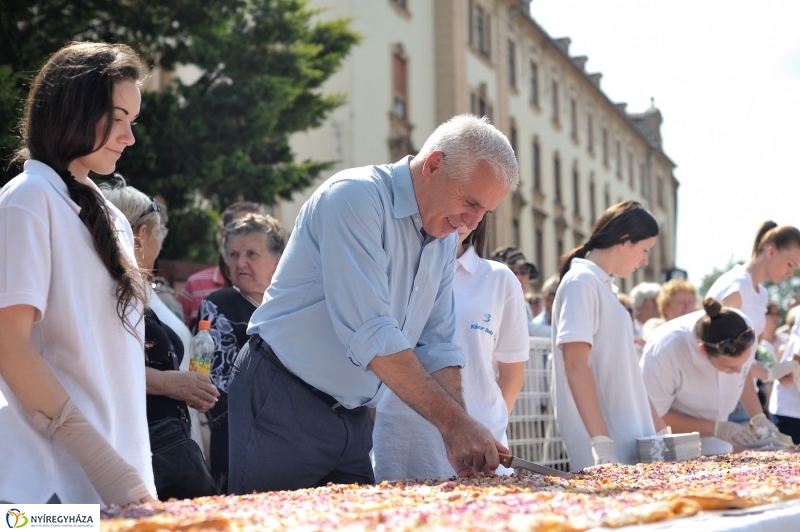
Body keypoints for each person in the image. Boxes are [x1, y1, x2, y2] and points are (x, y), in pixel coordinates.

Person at [227, 114, 518, 493]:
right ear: (433, 165)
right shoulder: (354, 197)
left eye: (485, 212)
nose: (472, 224)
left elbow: (437, 344)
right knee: (266, 519)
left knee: (359, 518)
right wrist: (456, 425)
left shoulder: (445, 237)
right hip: (282, 397)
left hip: (351, 415)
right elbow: (370, 332)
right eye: (470, 202)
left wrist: (458, 430)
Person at [0, 42, 155, 505]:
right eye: (118, 118)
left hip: (117, 487)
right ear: (73, 111)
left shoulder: (112, 217)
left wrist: (125, 477)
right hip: (41, 493)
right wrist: (103, 464)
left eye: (133, 121)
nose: (129, 137)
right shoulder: (27, 200)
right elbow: (8, 344)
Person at [373, 216, 529, 481]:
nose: (463, 217)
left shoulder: (499, 279)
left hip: (478, 448)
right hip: (402, 440)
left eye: (476, 205)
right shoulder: (394, 269)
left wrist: (484, 423)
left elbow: (512, 372)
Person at [100, 181, 219, 456]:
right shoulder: (111, 290)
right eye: (158, 232)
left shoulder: (138, 286)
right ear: (141, 235)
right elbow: (102, 364)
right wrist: (167, 383)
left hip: (165, 440)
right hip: (139, 447)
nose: (161, 242)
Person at [552, 201, 668, 471]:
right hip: (610, 446)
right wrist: (601, 441)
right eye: (645, 250)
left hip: (632, 438)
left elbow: (627, 373)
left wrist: (662, 430)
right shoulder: (581, 282)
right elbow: (575, 365)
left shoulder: (601, 286)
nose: (645, 260)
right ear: (624, 241)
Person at [197, 213, 287, 493]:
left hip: (297, 440)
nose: (240, 263)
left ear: (278, 259)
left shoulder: (293, 306)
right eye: (234, 255)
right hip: (240, 440)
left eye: (251, 254)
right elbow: (217, 379)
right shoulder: (219, 305)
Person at [641, 298, 794, 456]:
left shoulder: (743, 327)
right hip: (674, 444)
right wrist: (715, 428)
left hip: (719, 439)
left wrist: (757, 417)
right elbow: (652, 416)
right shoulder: (665, 350)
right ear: (702, 350)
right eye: (728, 366)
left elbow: (743, 372)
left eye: (742, 362)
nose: (737, 370)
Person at [707, 222, 800, 424]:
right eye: (790, 264)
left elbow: (744, 357)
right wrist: (769, 373)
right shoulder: (739, 285)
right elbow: (720, 351)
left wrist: (771, 373)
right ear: (771, 252)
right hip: (717, 390)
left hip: (739, 391)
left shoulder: (760, 293)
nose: (791, 273)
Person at [177, 201, 262, 328]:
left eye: (256, 230)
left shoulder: (276, 288)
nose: (247, 236)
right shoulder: (195, 285)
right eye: (239, 229)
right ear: (223, 233)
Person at [490, 246, 543, 337]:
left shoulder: (523, 304)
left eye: (523, 270)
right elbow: (527, 330)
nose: (518, 277)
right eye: (511, 271)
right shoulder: (494, 301)